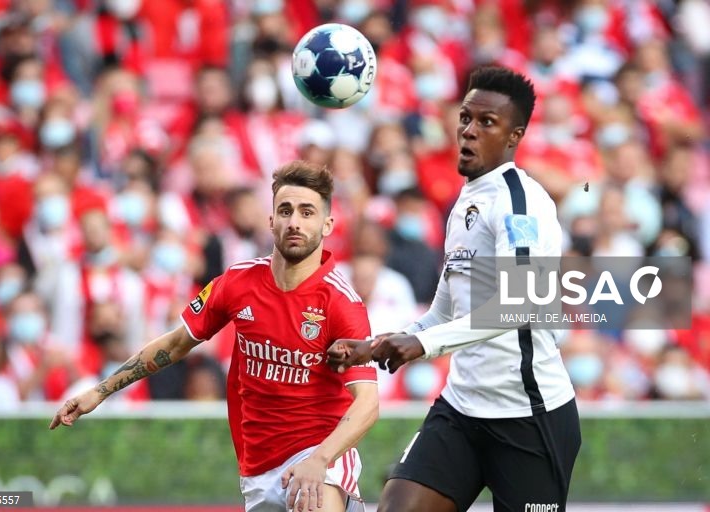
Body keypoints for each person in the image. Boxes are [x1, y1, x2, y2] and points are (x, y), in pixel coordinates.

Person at [50, 160, 379, 512]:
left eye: (307, 212)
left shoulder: (341, 303)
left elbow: (368, 402)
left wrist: (321, 458)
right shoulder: (236, 283)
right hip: (258, 465)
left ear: (327, 224)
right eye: (285, 210)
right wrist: (100, 391)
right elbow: (176, 344)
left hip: (320, 454)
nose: (294, 222)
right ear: (270, 221)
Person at [328, 67, 581, 512]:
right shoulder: (465, 201)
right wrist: (375, 347)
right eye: (465, 117)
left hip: (527, 416)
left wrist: (421, 343)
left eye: (487, 122)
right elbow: (442, 314)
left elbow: (518, 303)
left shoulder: (521, 203)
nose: (468, 130)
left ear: (513, 136)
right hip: (462, 410)